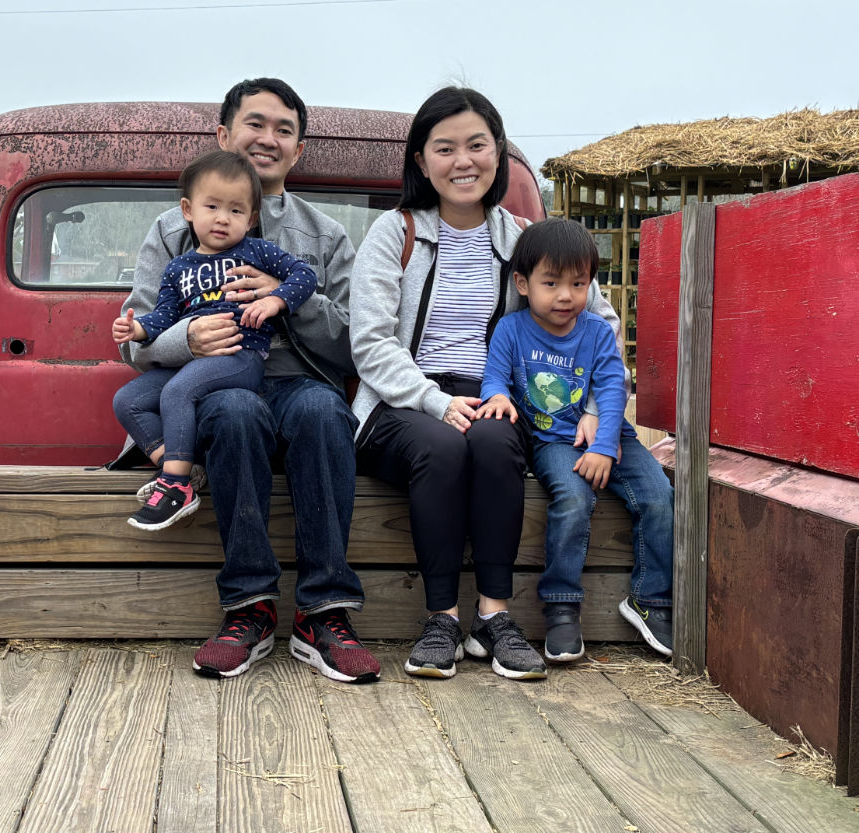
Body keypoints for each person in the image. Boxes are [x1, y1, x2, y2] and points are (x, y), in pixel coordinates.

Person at [350, 87, 626, 680]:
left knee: (499, 443)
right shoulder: (392, 233)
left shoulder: (526, 238)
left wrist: (600, 410)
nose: (463, 161)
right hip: (403, 398)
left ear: (498, 154)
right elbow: (371, 342)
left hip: (495, 391)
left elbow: (600, 323)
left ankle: (493, 617)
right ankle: (441, 619)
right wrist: (435, 400)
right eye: (444, 148)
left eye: (477, 144)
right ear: (422, 161)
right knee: (443, 445)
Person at [116, 78, 380, 684]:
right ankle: (249, 608)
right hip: (213, 380)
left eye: (284, 130)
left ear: (298, 150)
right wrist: (188, 339)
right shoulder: (171, 229)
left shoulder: (325, 236)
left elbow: (352, 346)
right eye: (254, 124)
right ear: (224, 135)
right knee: (233, 410)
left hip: (298, 379)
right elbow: (137, 338)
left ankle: (325, 613)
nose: (267, 139)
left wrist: (289, 301)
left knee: (322, 412)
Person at [479, 218, 674, 661]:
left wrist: (605, 445)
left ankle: (651, 598)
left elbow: (612, 388)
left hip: (612, 432)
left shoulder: (597, 332)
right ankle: (561, 608)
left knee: (660, 497)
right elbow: (495, 377)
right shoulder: (511, 330)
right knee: (573, 499)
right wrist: (495, 398)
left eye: (578, 283)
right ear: (523, 283)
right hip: (552, 442)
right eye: (551, 283)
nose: (566, 296)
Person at [112, 150, 317, 531]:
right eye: (212, 206)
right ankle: (181, 470)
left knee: (176, 392)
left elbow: (303, 275)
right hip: (193, 361)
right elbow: (163, 317)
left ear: (251, 218)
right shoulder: (178, 268)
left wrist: (275, 299)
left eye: (236, 211)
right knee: (128, 401)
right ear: (188, 210)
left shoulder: (255, 251)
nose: (223, 218)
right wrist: (136, 330)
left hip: (241, 355)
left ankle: (174, 488)